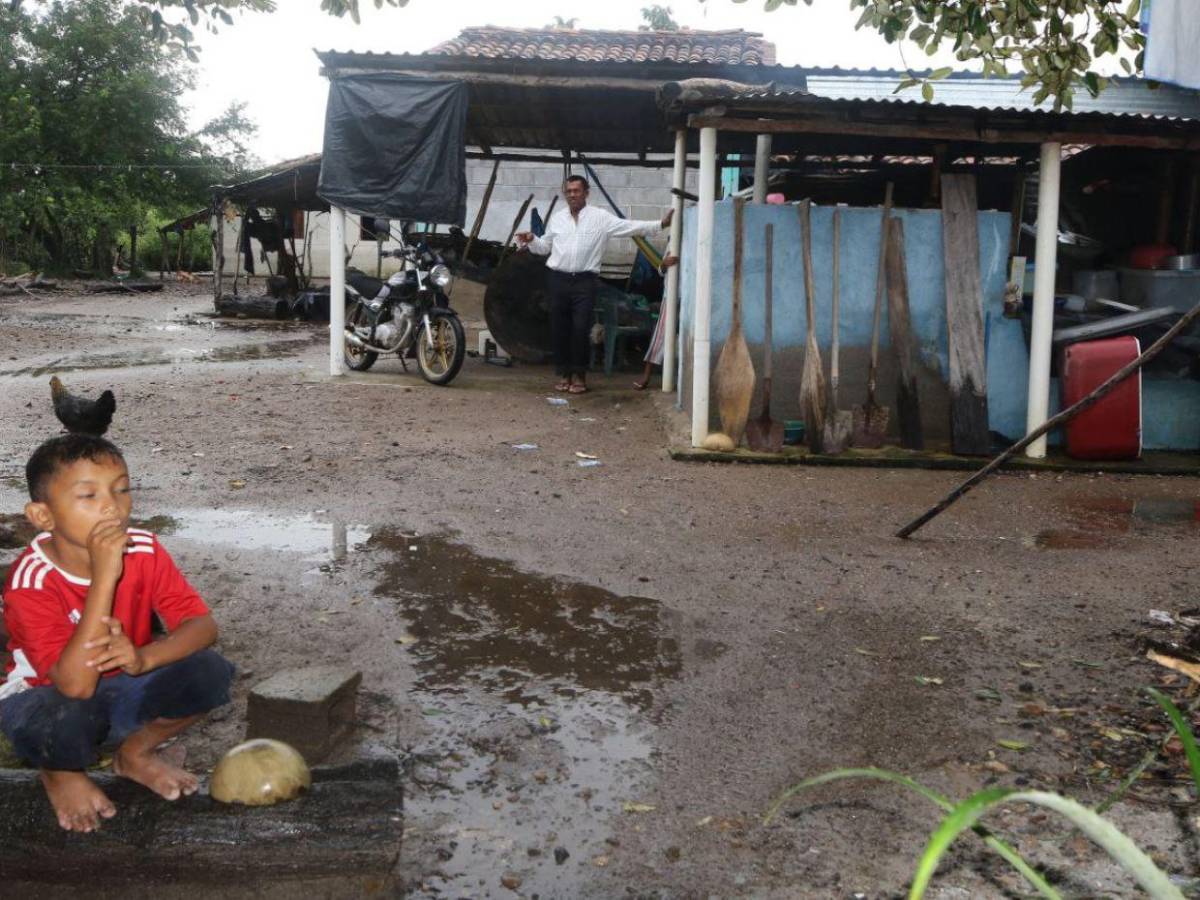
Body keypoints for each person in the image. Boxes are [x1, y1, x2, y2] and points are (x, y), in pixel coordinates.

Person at [1, 434, 233, 833]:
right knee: (66, 716)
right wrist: (105, 575)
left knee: (210, 672)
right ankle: (60, 772)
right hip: (44, 702)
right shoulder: (31, 579)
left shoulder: (143, 550)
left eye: (122, 489)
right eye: (88, 495)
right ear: (43, 516)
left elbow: (202, 626)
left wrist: (145, 659)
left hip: (121, 689)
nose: (112, 505)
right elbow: (73, 686)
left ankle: (135, 753)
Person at [516, 175, 673, 394]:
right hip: (558, 279)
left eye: (576, 191)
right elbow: (545, 247)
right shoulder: (558, 219)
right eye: (568, 191)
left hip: (585, 282)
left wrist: (661, 224)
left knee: (581, 329)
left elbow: (629, 227)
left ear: (586, 192)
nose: (572, 195)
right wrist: (532, 239)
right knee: (560, 329)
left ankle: (579, 376)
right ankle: (564, 374)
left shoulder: (600, 218)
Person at [633, 253, 680, 391]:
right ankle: (646, 376)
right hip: (671, 296)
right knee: (660, 336)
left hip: (689, 295)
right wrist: (665, 264)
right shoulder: (673, 242)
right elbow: (660, 270)